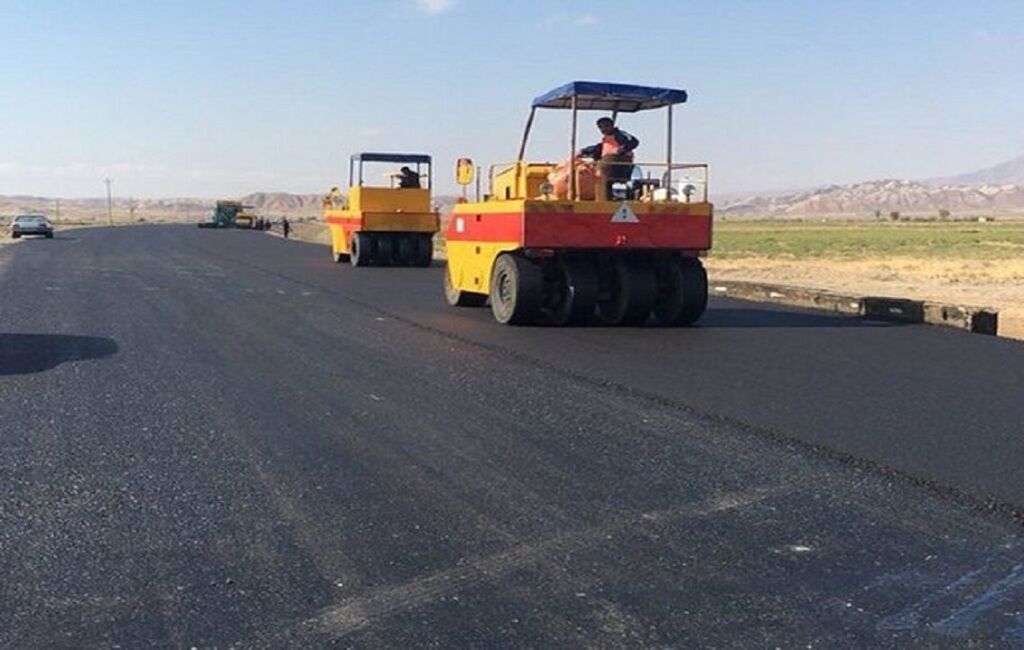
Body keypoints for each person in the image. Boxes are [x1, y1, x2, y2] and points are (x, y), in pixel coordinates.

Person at [579, 117, 639, 201]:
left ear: (612, 126)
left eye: (606, 126)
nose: (604, 129)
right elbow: (597, 148)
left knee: (599, 173)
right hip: (608, 164)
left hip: (619, 164)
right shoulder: (606, 140)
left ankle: (603, 197)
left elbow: (634, 142)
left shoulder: (620, 134)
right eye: (601, 127)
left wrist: (623, 148)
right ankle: (603, 196)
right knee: (589, 169)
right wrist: (582, 152)